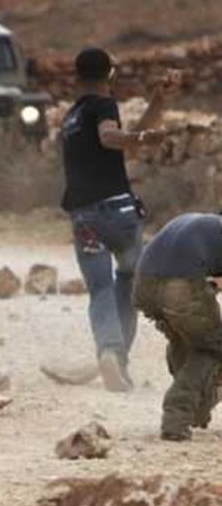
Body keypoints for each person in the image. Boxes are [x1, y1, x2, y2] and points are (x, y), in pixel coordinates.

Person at [59, 48, 177, 392]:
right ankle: (119, 360)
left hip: (84, 219)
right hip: (119, 214)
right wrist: (140, 137)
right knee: (127, 283)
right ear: (110, 74)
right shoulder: (103, 106)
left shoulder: (71, 118)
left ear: (76, 76)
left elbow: (127, 144)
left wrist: (158, 103)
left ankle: (110, 353)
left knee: (100, 289)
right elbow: (112, 138)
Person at [133, 213, 222, 441]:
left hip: (143, 285)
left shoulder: (197, 222)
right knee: (213, 346)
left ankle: (195, 410)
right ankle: (178, 414)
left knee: (184, 338)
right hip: (179, 286)